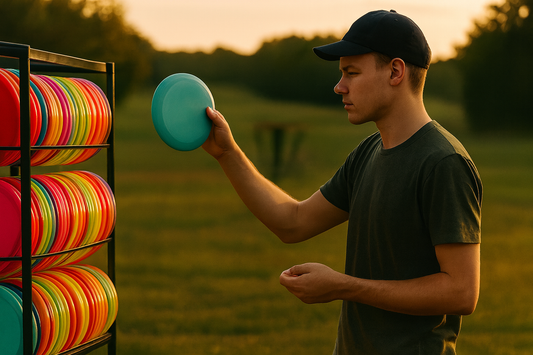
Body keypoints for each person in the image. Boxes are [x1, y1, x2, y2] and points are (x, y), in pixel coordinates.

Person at [202, 9, 482, 355]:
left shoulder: (443, 162)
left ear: (395, 71)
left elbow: (461, 292)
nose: (339, 86)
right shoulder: (368, 152)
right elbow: (293, 222)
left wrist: (344, 286)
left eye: (351, 73)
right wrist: (227, 153)